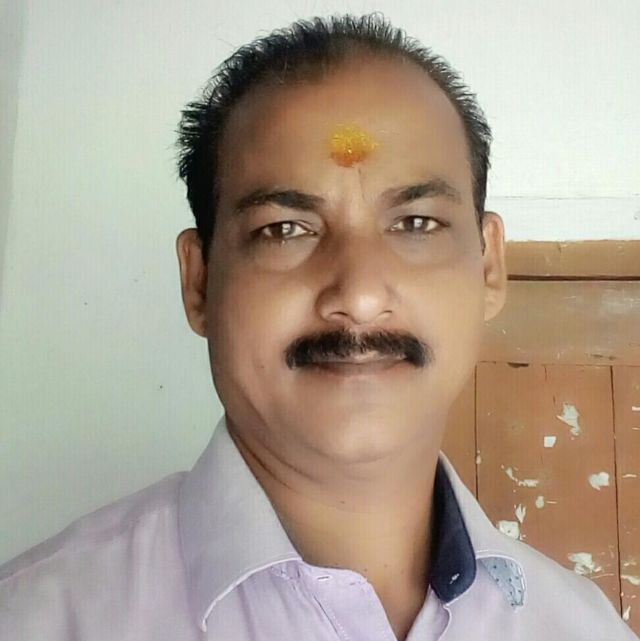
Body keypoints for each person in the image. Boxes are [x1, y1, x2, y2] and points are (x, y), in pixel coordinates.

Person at [0, 12, 636, 641]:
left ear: (489, 266)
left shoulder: (581, 628)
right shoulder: (38, 619)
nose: (358, 295)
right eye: (285, 229)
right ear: (199, 281)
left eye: (415, 223)